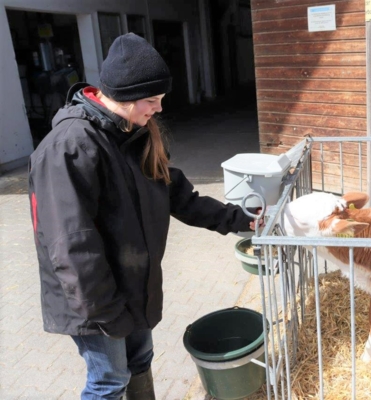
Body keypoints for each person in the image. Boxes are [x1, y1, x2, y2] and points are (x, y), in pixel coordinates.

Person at [27, 33, 261, 400]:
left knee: (140, 360)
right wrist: (109, 314)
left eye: (161, 99)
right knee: (108, 382)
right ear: (122, 95)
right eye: (152, 100)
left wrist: (240, 219)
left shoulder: (135, 135)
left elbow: (179, 196)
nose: (159, 109)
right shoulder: (70, 147)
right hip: (96, 301)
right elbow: (70, 246)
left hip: (132, 286)